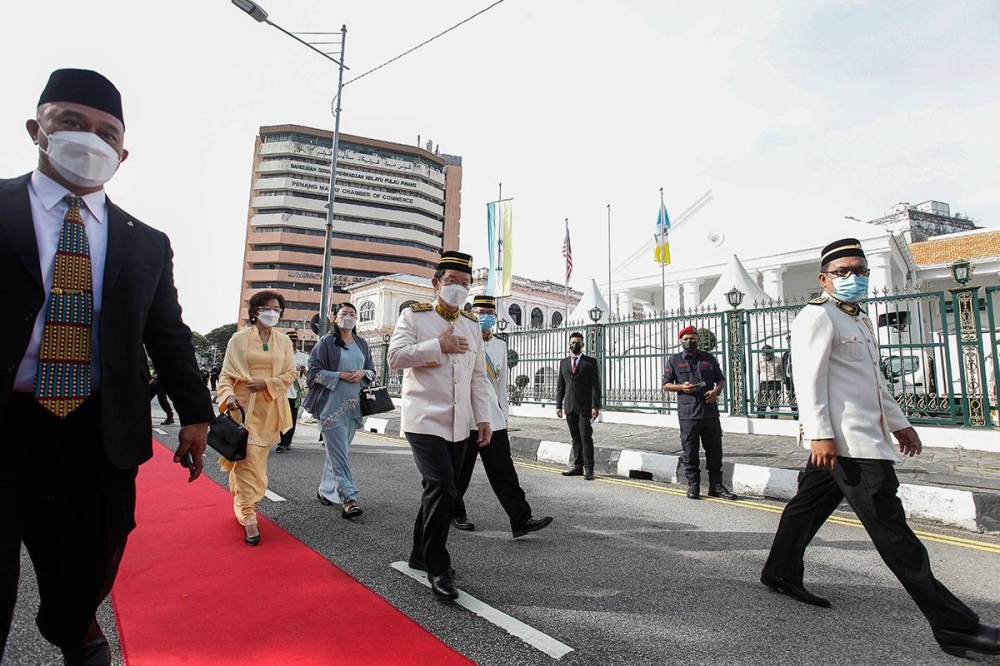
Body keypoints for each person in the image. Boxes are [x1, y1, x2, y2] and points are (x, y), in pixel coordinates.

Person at [0, 69, 213, 666]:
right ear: (36, 129)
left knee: (89, 565)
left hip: (96, 433)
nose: (87, 139)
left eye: (104, 132)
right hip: (6, 421)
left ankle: (72, 623)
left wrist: (196, 415)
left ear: (122, 153)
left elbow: (167, 334)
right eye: (71, 123)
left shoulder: (146, 241)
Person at [760, 238, 1000, 658]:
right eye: (843, 272)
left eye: (861, 270)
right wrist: (819, 433)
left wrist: (900, 423)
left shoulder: (858, 321)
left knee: (807, 505)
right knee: (895, 534)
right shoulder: (817, 317)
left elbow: (873, 381)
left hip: (861, 438)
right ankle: (955, 627)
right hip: (847, 445)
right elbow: (808, 380)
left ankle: (779, 571)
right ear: (824, 278)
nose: (854, 278)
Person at [388, 251, 492, 600]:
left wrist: (483, 417)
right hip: (424, 419)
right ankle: (438, 566)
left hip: (460, 423)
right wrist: (438, 346)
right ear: (436, 283)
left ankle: (420, 553)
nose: (459, 290)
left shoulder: (473, 324)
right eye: (452, 283)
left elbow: (478, 377)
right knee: (443, 487)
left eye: (466, 285)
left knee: (443, 491)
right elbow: (395, 358)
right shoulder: (414, 316)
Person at [452, 295, 553, 538]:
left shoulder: (499, 345)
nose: (486, 316)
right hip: (466, 417)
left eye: (490, 312)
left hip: (493, 419)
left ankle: (521, 518)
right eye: (481, 311)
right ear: (471, 313)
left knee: (504, 471)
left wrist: (504, 416)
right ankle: (454, 512)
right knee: (460, 471)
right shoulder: (461, 341)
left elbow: (501, 387)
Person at [216, 291, 297, 546]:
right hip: (242, 408)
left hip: (271, 408)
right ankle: (248, 512)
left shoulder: (284, 341)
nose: (272, 312)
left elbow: (291, 373)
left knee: (253, 459)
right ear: (255, 311)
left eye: (277, 309)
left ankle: (241, 494)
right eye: (267, 307)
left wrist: (267, 382)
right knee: (248, 457)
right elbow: (226, 376)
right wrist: (228, 396)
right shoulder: (238, 340)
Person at [303, 303, 376, 518]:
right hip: (331, 407)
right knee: (340, 454)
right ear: (335, 318)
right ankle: (349, 498)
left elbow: (372, 370)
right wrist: (340, 375)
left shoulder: (362, 343)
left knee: (336, 453)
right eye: (344, 313)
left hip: (355, 408)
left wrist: (363, 373)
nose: (349, 317)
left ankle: (325, 490)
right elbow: (313, 373)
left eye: (353, 314)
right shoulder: (326, 342)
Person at [661, 326, 738, 500]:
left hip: (710, 412)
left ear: (698, 340)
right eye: (686, 338)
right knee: (690, 450)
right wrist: (681, 387)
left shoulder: (709, 358)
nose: (690, 341)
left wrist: (716, 392)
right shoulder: (674, 361)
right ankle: (693, 485)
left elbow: (720, 379)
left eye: (693, 338)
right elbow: (665, 384)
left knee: (715, 451)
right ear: (681, 341)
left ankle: (716, 486)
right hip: (688, 413)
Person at [556, 332, 601, 480]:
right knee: (575, 437)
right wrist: (558, 405)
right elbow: (561, 386)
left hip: (585, 407)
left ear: (583, 344)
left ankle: (589, 468)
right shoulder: (563, 362)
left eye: (578, 342)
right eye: (573, 342)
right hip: (569, 405)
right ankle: (577, 466)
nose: (575, 344)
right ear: (569, 344)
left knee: (585, 437)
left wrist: (595, 405)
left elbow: (595, 385)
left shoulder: (590, 362)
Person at [275, 331, 310, 453]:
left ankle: (286, 441)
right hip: (281, 392)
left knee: (292, 418)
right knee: (281, 417)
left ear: (298, 342)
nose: (292, 343)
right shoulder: (279, 355)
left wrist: (304, 370)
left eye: (294, 341)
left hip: (295, 393)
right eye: (290, 340)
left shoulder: (304, 357)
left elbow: (309, 373)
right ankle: (283, 440)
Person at [756, 344, 784, 418]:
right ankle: (760, 420)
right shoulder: (760, 361)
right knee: (761, 404)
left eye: (766, 354)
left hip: (775, 383)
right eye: (763, 354)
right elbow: (757, 371)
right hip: (764, 384)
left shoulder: (778, 360)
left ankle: (774, 421)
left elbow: (782, 370)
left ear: (771, 353)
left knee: (774, 404)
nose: (765, 356)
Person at [781, 333, 796, 408]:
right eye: (788, 342)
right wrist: (784, 378)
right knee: (790, 396)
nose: (789, 344)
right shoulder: (786, 354)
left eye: (790, 342)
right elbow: (783, 366)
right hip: (788, 378)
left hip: (796, 378)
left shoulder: (798, 352)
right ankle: (793, 411)